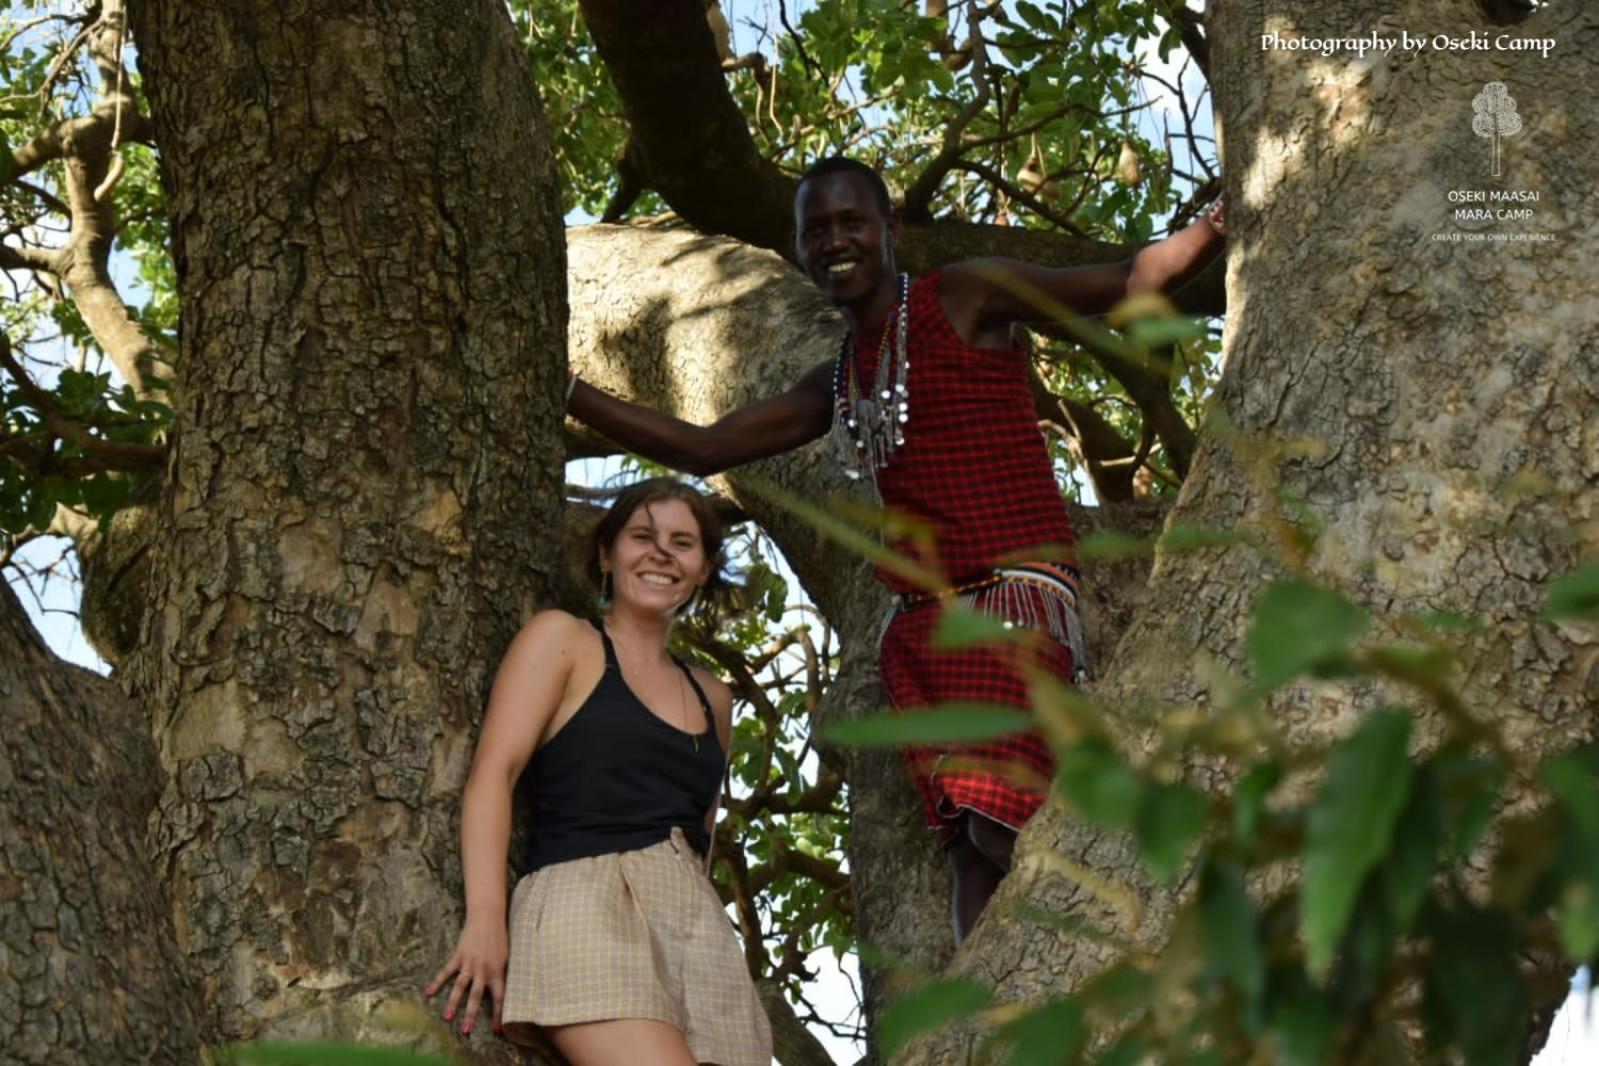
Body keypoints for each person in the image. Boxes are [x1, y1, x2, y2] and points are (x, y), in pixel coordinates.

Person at [566, 156, 1226, 943]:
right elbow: (705, 447)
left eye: (851, 223)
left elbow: (1126, 278)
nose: (834, 242)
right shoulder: (839, 376)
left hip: (1008, 605)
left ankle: (1137, 945)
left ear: (890, 232)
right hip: (919, 635)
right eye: (816, 232)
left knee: (996, 822)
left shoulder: (964, 295)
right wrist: (567, 389)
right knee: (967, 854)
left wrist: (1220, 220)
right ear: (800, 250)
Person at [427, 477, 772, 1066]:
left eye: (682, 542)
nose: (661, 552)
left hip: (697, 932)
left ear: (705, 569)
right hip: (587, 907)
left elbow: (701, 836)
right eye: (642, 535)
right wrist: (485, 919)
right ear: (606, 554)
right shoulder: (565, 641)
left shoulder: (713, 696)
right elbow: (494, 773)